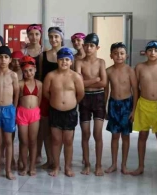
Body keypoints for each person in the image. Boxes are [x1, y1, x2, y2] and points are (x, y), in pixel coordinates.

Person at [43, 47, 85, 177]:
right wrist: (55, 102)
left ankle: (68, 167)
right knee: (56, 140)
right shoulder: (51, 76)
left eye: (67, 59)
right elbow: (46, 92)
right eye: (61, 59)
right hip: (55, 111)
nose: (64, 62)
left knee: (68, 140)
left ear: (71, 62)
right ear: (57, 61)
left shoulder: (76, 77)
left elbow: (80, 94)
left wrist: (71, 103)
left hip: (70, 112)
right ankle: (56, 166)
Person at [133, 41, 157, 178]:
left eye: (156, 50)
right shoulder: (139, 67)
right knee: (142, 136)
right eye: (150, 50)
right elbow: (135, 89)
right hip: (143, 104)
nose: (152, 53)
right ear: (145, 52)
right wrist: (134, 108)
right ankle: (140, 166)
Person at [75, 33, 107, 176]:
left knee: (97, 133)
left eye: (92, 46)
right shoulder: (79, 62)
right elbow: (78, 83)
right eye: (86, 45)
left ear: (97, 48)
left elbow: (104, 83)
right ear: (83, 46)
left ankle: (98, 165)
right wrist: (95, 80)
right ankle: (87, 164)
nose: (88, 48)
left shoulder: (101, 62)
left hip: (99, 98)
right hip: (85, 98)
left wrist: (86, 82)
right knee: (85, 133)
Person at [105, 43, 138, 174]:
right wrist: (105, 107)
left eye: (122, 53)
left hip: (127, 105)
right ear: (111, 56)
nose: (119, 56)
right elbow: (106, 90)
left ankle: (124, 165)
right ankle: (113, 164)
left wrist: (134, 110)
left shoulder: (130, 71)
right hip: (113, 104)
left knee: (125, 136)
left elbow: (135, 90)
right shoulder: (108, 71)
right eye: (116, 53)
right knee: (114, 136)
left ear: (126, 55)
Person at [0, 46, 19, 180]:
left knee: (8, 141)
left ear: (10, 60)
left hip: (9, 110)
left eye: (6, 57)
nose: (3, 60)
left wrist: (14, 108)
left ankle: (8, 170)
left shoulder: (13, 75)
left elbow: (17, 93)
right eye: (0, 57)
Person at [38, 27, 63, 172]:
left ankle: (57, 161)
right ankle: (49, 160)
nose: (53, 39)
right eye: (51, 37)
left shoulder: (66, 55)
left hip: (61, 97)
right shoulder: (43, 55)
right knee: (46, 130)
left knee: (59, 132)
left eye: (56, 36)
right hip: (46, 97)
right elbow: (40, 77)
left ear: (61, 38)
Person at [17, 56, 42, 176]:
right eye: (25, 71)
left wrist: (35, 111)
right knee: (24, 141)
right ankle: (24, 166)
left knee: (33, 141)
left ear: (35, 69)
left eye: (30, 70)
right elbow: (16, 100)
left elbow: (39, 99)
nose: (28, 73)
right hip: (22, 113)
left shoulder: (39, 84)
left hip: (34, 114)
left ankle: (32, 167)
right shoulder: (20, 84)